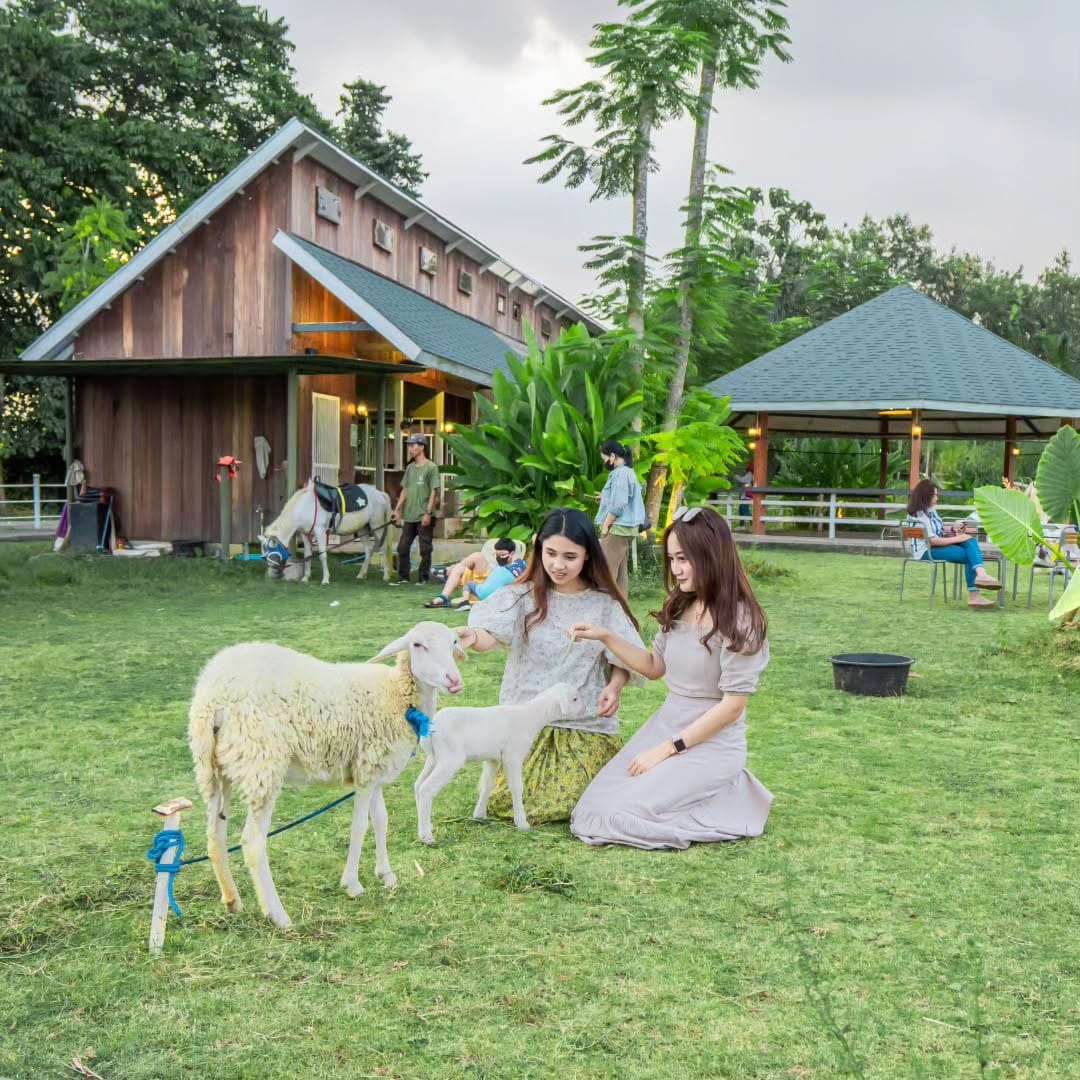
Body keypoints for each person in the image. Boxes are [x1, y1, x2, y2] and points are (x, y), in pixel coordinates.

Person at [568, 505, 773, 849]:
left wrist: (667, 749)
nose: (675, 569)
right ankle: (709, 793)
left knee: (619, 815)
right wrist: (606, 636)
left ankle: (728, 795)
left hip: (710, 742)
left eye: (684, 558)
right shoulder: (680, 605)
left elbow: (732, 708)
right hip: (666, 724)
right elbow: (653, 666)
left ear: (710, 555)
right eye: (672, 559)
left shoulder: (741, 620)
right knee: (591, 810)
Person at [455, 508, 645, 823]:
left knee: (581, 803)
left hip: (583, 726)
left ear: (587, 556)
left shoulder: (604, 604)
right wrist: (473, 636)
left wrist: (614, 687)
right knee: (513, 803)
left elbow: (622, 658)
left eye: (570, 556)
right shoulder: (521, 597)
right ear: (538, 547)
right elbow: (492, 636)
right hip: (524, 727)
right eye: (551, 553)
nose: (558, 564)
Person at [907, 478, 1000, 608]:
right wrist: (958, 539)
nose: (937, 498)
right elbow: (933, 541)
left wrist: (953, 528)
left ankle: (981, 577)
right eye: (935, 495)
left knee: (970, 539)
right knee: (969, 554)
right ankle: (976, 590)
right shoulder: (919, 515)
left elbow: (938, 527)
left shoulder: (930, 510)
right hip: (926, 551)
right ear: (926, 496)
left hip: (935, 546)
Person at [596, 439, 647, 597]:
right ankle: (621, 611)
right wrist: (604, 497)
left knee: (606, 574)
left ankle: (604, 611)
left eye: (604, 459)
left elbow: (619, 504)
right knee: (620, 575)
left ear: (612, 456)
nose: (605, 462)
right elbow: (623, 499)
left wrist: (606, 526)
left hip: (617, 529)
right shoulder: (628, 472)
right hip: (626, 529)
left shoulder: (620, 473)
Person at [390, 434, 439, 585]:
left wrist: (428, 513)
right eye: (409, 445)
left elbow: (434, 492)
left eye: (413, 445)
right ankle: (404, 577)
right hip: (409, 516)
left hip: (424, 515)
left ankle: (423, 578)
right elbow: (405, 490)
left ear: (422, 447)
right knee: (402, 548)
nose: (410, 448)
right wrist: (397, 510)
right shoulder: (410, 468)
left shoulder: (431, 467)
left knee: (425, 549)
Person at [424, 539, 526, 609]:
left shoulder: (517, 564)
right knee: (471, 560)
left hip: (489, 587)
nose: (499, 557)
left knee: (469, 564)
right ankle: (443, 596)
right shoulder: (496, 563)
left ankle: (449, 572)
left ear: (512, 553)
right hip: (482, 581)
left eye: (502, 555)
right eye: (497, 554)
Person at [734, 463, 754, 528]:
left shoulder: (749, 474)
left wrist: (736, 475)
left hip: (746, 496)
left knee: (745, 510)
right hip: (746, 495)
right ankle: (741, 525)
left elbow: (742, 480)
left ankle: (753, 524)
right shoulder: (752, 474)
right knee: (741, 510)